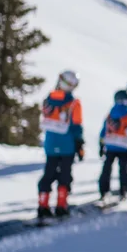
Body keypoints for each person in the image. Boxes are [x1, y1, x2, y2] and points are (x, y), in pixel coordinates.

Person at [36, 70, 85, 219]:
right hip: (67, 145)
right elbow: (76, 126)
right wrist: (79, 145)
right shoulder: (74, 103)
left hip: (50, 145)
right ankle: (61, 205)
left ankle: (43, 205)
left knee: (48, 173)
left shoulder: (48, 100)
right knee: (65, 174)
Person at [98, 87, 127, 203]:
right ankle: (124, 190)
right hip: (124, 147)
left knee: (106, 169)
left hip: (110, 146)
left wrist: (101, 145)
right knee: (124, 170)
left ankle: (104, 190)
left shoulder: (110, 114)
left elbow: (103, 131)